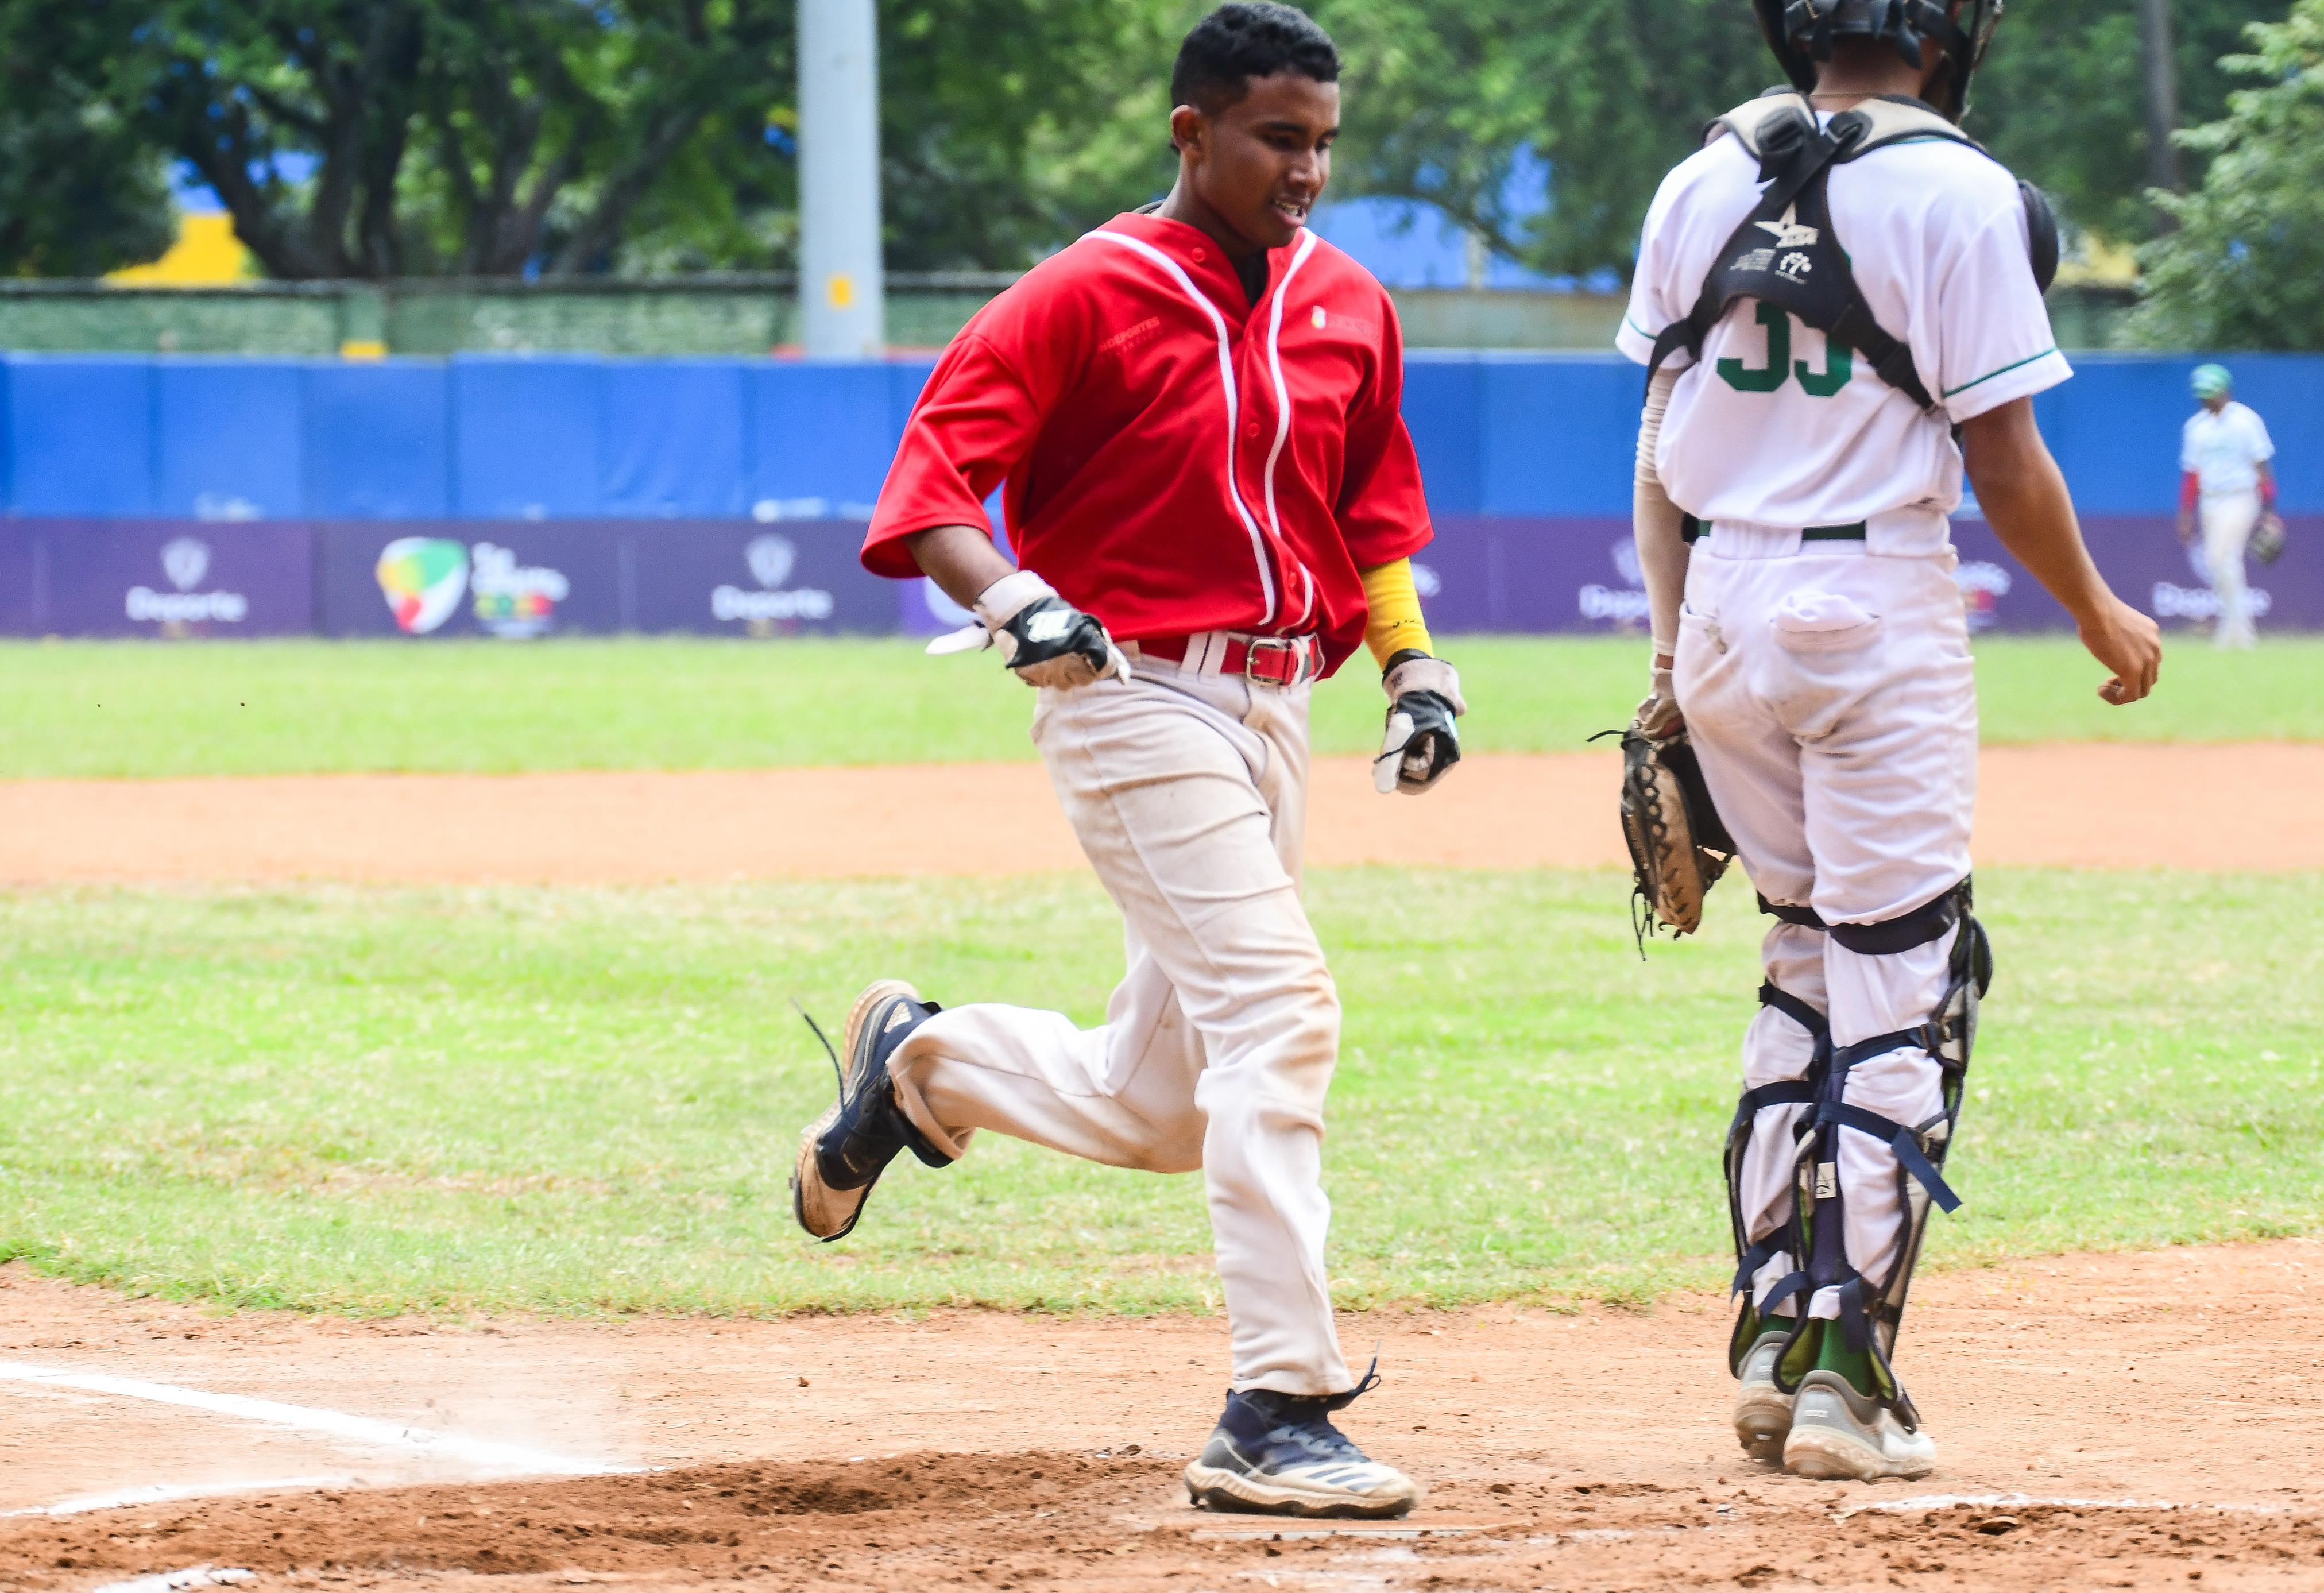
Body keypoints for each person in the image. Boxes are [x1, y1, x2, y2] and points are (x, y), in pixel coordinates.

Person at [789, 2, 1464, 1522]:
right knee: (1281, 1009)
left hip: (1276, 704)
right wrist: (1013, 595)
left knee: (1166, 1102)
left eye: (1322, 144)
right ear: (1194, 131)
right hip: (1129, 693)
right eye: (1278, 138)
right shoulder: (1085, 292)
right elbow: (935, 484)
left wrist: (1412, 660)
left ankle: (923, 1061)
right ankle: (1277, 1400)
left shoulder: (1348, 299)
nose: (1306, 170)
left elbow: (1369, 513)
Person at [1617, 0, 2162, 1482]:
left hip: (1723, 594)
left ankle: (1770, 1324)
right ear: (1946, 36)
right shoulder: (1964, 193)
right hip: (1866, 600)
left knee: (1803, 951)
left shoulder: (1700, 176)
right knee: (1910, 973)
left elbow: (1660, 448)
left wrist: (1672, 661)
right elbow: (2003, 456)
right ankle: (1848, 1380)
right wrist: (2105, 616)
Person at [2178, 363, 2278, 648]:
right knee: (2216, 561)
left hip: (2241, 495)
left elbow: (2262, 468)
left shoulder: (2246, 422)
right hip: (2210, 499)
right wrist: (2186, 514)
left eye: (2212, 394)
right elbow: (2192, 474)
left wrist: (2271, 512)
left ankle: (2236, 633)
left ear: (2225, 392)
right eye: (2203, 395)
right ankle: (2237, 628)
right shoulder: (2196, 427)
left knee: (2223, 556)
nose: (2207, 400)